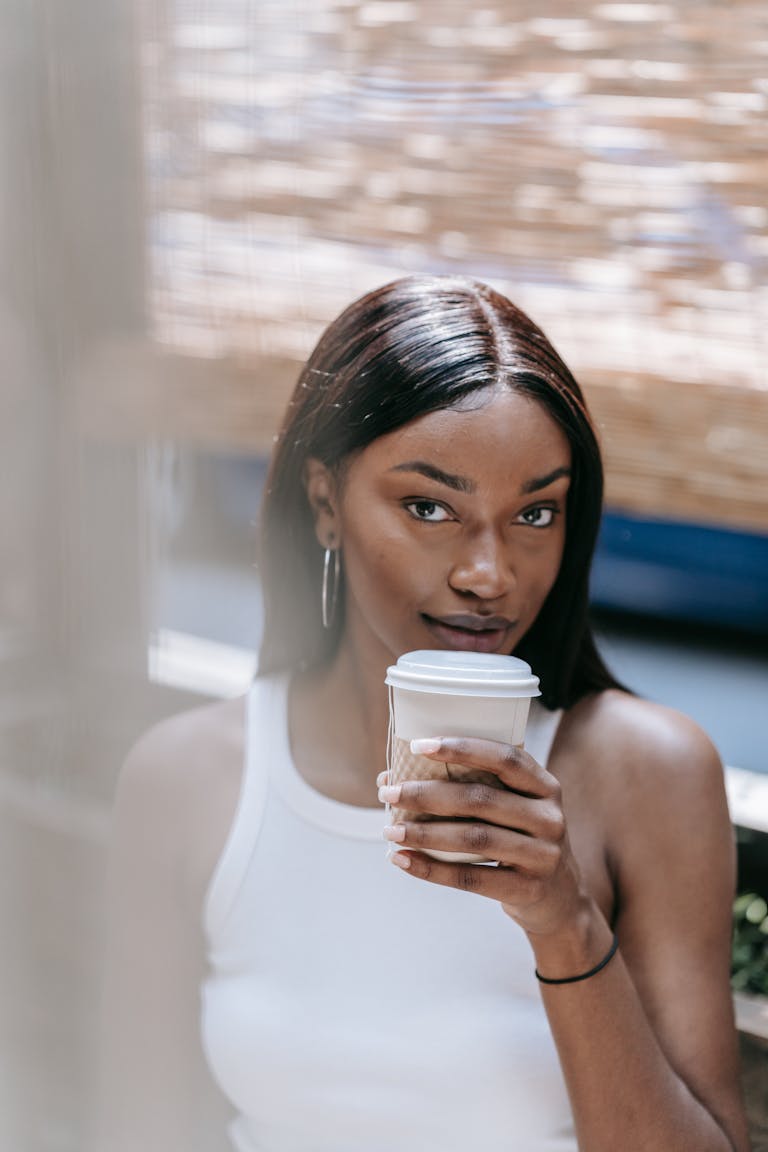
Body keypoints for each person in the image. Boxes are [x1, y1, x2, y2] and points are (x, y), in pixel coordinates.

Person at [97, 275, 750, 1152]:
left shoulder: (647, 773)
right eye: (430, 507)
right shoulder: (187, 779)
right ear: (325, 504)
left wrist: (563, 921)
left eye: (535, 513)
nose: (490, 574)